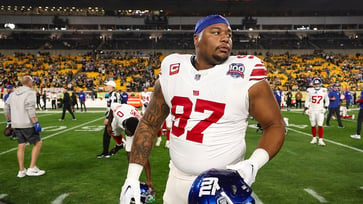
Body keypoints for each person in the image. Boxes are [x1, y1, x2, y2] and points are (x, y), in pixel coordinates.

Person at [119, 14, 285, 204]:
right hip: (176, 180)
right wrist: (132, 176)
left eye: (229, 35)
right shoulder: (174, 67)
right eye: (216, 32)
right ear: (197, 39)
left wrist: (253, 165)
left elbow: (275, 125)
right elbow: (149, 123)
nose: (225, 38)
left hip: (221, 186)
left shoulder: (245, 71)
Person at [4, 75, 45, 178]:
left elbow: (6, 107)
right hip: (26, 123)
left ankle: (21, 170)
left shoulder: (13, 93)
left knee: (21, 145)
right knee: (38, 143)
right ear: (30, 83)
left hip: (15, 123)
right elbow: (30, 108)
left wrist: (9, 121)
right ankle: (32, 168)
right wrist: (35, 122)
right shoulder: (30, 92)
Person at [106, 102, 153, 189]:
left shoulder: (141, 127)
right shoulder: (118, 113)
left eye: (132, 134)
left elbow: (144, 156)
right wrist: (108, 125)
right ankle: (120, 143)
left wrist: (149, 180)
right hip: (120, 118)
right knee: (112, 131)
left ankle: (132, 171)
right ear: (126, 128)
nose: (131, 135)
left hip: (133, 121)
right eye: (130, 134)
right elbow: (112, 108)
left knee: (130, 152)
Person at [97, 80, 121, 158]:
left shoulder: (114, 94)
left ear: (112, 87)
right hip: (113, 116)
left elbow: (113, 107)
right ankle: (107, 151)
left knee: (107, 135)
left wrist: (108, 118)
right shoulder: (111, 95)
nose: (106, 86)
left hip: (113, 117)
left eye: (108, 85)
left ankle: (106, 152)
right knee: (112, 133)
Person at [303, 78, 329, 146]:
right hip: (312, 110)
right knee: (313, 125)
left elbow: (327, 100)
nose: (317, 85)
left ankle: (320, 140)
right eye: (315, 84)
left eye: (318, 84)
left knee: (320, 125)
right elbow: (307, 100)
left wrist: (325, 108)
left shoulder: (324, 90)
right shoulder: (309, 90)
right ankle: (314, 138)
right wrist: (306, 108)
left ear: (320, 84)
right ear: (313, 84)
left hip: (320, 110)